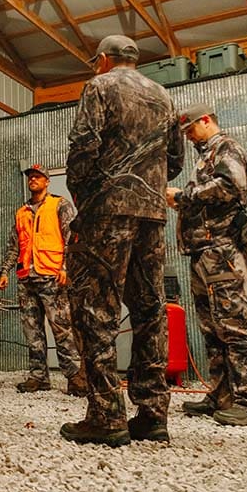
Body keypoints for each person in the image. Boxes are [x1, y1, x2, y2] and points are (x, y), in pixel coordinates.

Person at [60, 35, 184, 446]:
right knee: (150, 310)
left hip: (107, 213)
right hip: (152, 215)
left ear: (103, 61)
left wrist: (85, 199)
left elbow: (83, 146)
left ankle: (107, 416)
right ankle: (152, 415)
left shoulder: (100, 86)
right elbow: (176, 161)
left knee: (95, 308)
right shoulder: (164, 95)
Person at [166, 103, 247, 426]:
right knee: (211, 328)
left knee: (235, 326)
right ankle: (222, 395)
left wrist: (183, 197)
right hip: (202, 253)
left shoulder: (227, 147)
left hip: (222, 251)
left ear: (207, 121)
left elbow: (230, 186)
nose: (189, 136)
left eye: (192, 128)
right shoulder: (205, 156)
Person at [0, 163, 87, 397]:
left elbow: (72, 238)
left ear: (47, 181)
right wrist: (5, 271)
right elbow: (14, 246)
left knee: (62, 329)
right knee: (32, 331)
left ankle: (75, 377)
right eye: (30, 177)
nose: (33, 180)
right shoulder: (22, 212)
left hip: (52, 277)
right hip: (27, 279)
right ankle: (38, 377)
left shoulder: (60, 205)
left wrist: (66, 268)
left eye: (38, 177)